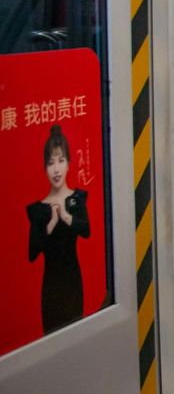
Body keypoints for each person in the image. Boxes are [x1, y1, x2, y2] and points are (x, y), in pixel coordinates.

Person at [27, 124, 88, 334]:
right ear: (45, 167)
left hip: (73, 281)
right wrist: (51, 223)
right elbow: (32, 252)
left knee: (77, 334)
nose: (56, 169)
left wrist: (65, 217)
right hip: (50, 288)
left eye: (61, 161)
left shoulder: (77, 198)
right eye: (51, 162)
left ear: (69, 164)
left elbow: (86, 230)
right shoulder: (39, 210)